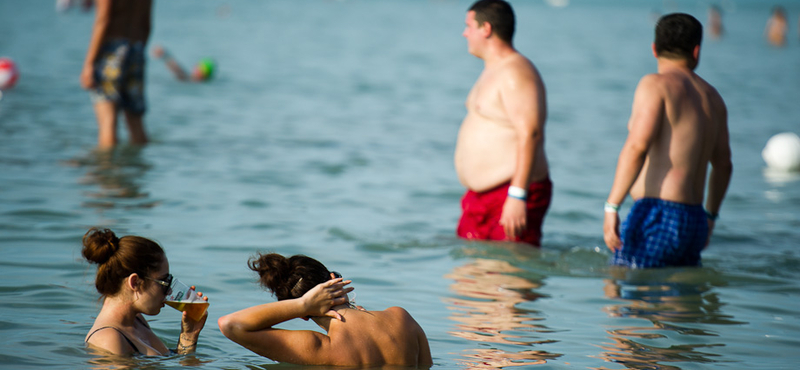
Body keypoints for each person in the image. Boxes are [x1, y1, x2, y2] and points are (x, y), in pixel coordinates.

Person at [603, 13, 733, 268]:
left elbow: (637, 146)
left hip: (657, 213)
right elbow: (724, 164)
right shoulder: (713, 98)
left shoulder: (656, 85)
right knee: (679, 303)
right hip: (694, 219)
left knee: (627, 292)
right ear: (696, 51)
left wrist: (612, 206)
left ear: (654, 49)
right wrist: (710, 215)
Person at [218, 253, 433, 368]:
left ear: (302, 315)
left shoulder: (320, 348)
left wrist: (302, 305)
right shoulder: (401, 317)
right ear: (334, 279)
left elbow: (230, 325)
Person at [454, 0, 551, 247]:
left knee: (509, 277)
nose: (465, 33)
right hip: (482, 197)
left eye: (468, 25)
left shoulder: (515, 71)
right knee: (471, 279)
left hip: (510, 193)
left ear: (486, 28)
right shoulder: (493, 69)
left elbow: (530, 133)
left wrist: (518, 195)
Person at [82, 228, 209, 355]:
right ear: (135, 282)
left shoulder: (136, 320)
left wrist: (189, 336)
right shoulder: (109, 339)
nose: (169, 290)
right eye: (164, 282)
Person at [80, 0, 152, 148]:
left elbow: (103, 19)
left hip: (112, 52)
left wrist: (89, 63)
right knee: (136, 122)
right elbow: (147, 25)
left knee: (108, 120)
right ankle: (138, 168)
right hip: (136, 48)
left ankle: (107, 169)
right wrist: (136, 53)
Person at [151, 45, 215, 82]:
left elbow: (178, 72)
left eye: (198, 68)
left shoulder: (190, 80)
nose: (195, 69)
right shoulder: (191, 79)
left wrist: (165, 56)